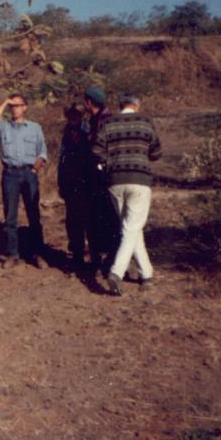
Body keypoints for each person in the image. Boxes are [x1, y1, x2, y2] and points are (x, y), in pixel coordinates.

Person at [91, 93, 163, 295]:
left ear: (120, 105)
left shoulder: (109, 123)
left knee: (130, 227)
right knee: (131, 227)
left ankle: (146, 273)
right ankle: (116, 272)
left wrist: (108, 162)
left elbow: (96, 149)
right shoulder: (145, 122)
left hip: (115, 182)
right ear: (137, 106)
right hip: (139, 181)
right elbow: (157, 153)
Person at [0, 94, 48, 269]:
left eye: (18, 105)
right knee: (10, 217)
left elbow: (42, 152)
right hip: (10, 175)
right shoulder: (4, 128)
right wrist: (5, 101)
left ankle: (37, 254)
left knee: (33, 216)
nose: (15, 109)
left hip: (29, 174)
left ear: (25, 107)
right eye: (12, 106)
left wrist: (34, 168)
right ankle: (12, 254)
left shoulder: (35, 128)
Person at [82, 85, 117, 271]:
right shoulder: (98, 119)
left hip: (102, 176)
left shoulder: (103, 121)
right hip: (101, 176)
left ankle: (109, 260)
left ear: (88, 102)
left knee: (105, 217)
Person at [57, 103, 90, 271]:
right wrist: (61, 182)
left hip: (85, 181)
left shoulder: (87, 129)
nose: (73, 118)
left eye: (76, 115)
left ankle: (91, 256)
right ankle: (77, 255)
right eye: (71, 115)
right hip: (70, 182)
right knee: (72, 219)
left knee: (87, 219)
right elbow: (62, 159)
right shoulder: (67, 131)